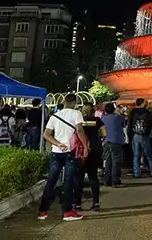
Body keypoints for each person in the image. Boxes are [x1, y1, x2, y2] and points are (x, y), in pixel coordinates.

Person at [38, 93, 89, 222]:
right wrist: (86, 147)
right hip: (70, 152)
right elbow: (80, 130)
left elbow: (46, 134)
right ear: (75, 102)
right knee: (68, 181)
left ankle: (43, 210)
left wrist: (57, 144)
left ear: (64, 101)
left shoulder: (55, 115)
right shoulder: (76, 113)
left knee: (51, 180)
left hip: (56, 152)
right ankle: (67, 212)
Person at [74, 103, 105, 212]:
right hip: (94, 150)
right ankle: (96, 203)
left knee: (79, 178)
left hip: (81, 151)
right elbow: (104, 134)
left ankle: (77, 204)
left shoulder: (79, 121)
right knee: (93, 177)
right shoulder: (97, 120)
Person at [128, 98, 152, 178]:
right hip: (145, 136)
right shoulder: (147, 112)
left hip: (135, 135)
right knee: (148, 154)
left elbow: (129, 125)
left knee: (136, 155)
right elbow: (150, 125)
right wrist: (149, 133)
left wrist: (130, 136)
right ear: (142, 103)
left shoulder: (132, 112)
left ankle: (136, 173)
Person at [100, 102, 125, 186]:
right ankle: (116, 181)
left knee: (108, 162)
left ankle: (107, 181)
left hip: (106, 141)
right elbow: (124, 124)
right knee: (116, 162)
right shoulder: (118, 117)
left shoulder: (103, 118)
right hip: (116, 141)